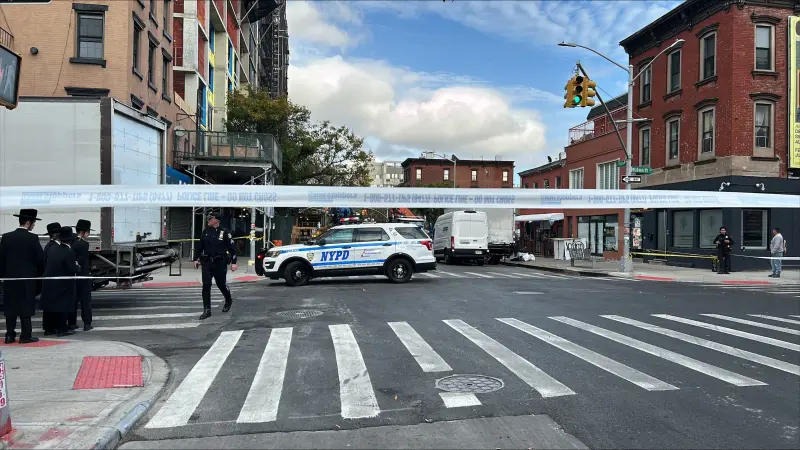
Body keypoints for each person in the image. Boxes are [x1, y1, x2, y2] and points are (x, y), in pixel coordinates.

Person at [0, 209, 45, 344]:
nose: (34, 226)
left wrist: (3, 277)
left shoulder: (6, 237)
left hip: (10, 279)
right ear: (28, 223)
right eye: (33, 223)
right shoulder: (32, 238)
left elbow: (1, 260)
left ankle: (9, 335)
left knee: (10, 306)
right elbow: (40, 259)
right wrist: (37, 274)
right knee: (26, 306)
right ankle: (25, 335)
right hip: (27, 279)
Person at [193, 212, 238, 320]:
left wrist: (234, 262)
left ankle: (228, 299)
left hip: (220, 263)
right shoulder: (205, 232)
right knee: (206, 285)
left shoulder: (225, 232)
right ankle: (207, 310)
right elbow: (200, 246)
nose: (208, 220)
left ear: (216, 220)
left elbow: (233, 249)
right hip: (207, 262)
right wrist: (196, 259)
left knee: (221, 284)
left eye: (210, 218)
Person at [40, 226, 79, 337]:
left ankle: (49, 329)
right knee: (63, 306)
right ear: (71, 240)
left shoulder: (53, 248)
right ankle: (62, 329)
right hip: (63, 283)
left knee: (52, 306)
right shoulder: (69, 251)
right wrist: (78, 267)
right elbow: (71, 268)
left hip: (51, 281)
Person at [69, 220, 93, 331]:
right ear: (83, 232)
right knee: (85, 300)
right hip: (83, 274)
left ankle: (72, 323)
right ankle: (87, 323)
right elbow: (82, 260)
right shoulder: (84, 244)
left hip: (73, 275)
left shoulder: (71, 242)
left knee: (73, 299)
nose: (88, 234)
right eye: (88, 231)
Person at [40, 222, 61, 333]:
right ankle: (51, 327)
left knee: (49, 304)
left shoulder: (49, 246)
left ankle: (49, 327)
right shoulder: (54, 247)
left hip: (49, 279)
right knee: (54, 304)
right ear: (56, 234)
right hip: (53, 279)